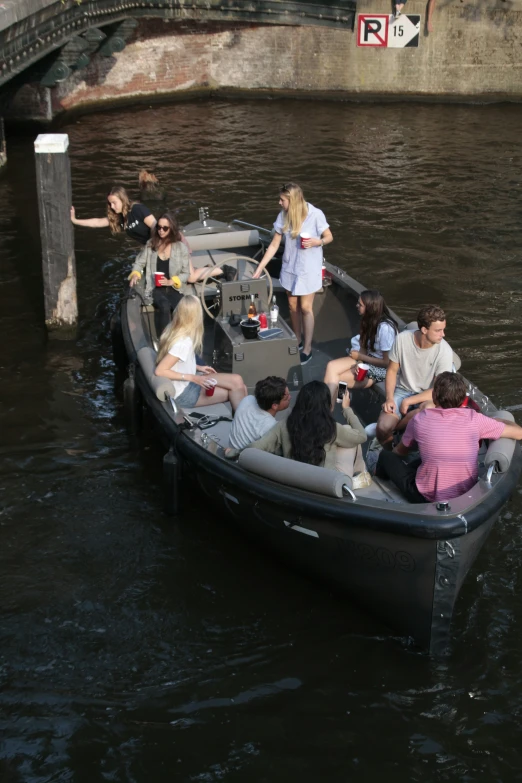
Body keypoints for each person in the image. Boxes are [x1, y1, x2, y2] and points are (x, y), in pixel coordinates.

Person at [375, 372, 522, 503]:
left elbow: (401, 452)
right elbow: (518, 433)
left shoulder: (419, 419)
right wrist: (502, 420)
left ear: (434, 396)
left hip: (424, 495)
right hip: (465, 493)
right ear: (463, 398)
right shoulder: (475, 419)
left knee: (386, 456)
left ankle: (378, 478)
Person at [252, 183, 333, 365]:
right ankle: (296, 340)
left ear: (293, 200)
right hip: (290, 267)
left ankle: (307, 348)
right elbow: (274, 244)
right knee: (292, 306)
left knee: (305, 308)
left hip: (308, 269)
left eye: (282, 200)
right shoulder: (283, 215)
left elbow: (329, 236)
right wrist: (260, 267)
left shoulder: (315, 214)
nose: (279, 203)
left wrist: (317, 241)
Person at [244, 380, 366, 476]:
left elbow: (259, 446)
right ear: (326, 405)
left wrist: (234, 451)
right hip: (327, 485)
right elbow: (362, 436)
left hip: (295, 481)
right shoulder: (332, 428)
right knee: (349, 433)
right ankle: (361, 473)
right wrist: (347, 409)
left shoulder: (284, 424)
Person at [376, 304, 454, 448]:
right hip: (402, 389)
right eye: (438, 330)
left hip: (429, 396)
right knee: (382, 428)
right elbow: (392, 371)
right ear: (424, 329)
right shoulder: (402, 339)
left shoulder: (445, 352)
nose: (443, 335)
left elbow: (438, 390)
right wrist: (389, 399)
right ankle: (389, 449)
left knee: (428, 410)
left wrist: (409, 401)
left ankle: (397, 431)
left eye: (443, 329)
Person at [155, 295, 247, 411]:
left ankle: (245, 421)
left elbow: (176, 362)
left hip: (187, 382)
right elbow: (160, 371)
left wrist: (198, 367)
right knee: (238, 389)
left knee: (238, 381)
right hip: (184, 393)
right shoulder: (183, 343)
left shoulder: (172, 328)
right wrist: (193, 378)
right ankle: (245, 424)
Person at [324, 290, 398, 402]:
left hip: (382, 368)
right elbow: (363, 350)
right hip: (366, 360)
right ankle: (338, 400)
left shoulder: (385, 329)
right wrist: (358, 363)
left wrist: (360, 358)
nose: (356, 305)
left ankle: (335, 403)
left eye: (360, 304)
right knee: (331, 366)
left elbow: (387, 362)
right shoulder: (367, 321)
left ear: (370, 308)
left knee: (339, 379)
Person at [128, 212, 190, 336]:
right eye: (159, 227)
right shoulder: (151, 244)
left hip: (174, 288)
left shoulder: (180, 248)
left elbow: (186, 273)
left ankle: (182, 336)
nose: (161, 231)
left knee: (183, 306)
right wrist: (135, 274)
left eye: (165, 228)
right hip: (155, 288)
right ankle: (163, 338)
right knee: (164, 305)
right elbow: (139, 262)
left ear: (171, 229)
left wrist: (171, 281)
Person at [70, 185, 156, 245]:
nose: (112, 206)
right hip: (150, 247)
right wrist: (75, 220)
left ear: (123, 199)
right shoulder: (118, 216)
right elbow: (98, 222)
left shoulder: (137, 209)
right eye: (110, 203)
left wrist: (152, 245)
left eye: (114, 203)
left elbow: (155, 225)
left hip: (160, 243)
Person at [228, 376, 291, 453]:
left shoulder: (248, 399)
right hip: (242, 459)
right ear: (274, 405)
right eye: (286, 397)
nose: (290, 397)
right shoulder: (270, 427)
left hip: (232, 447)